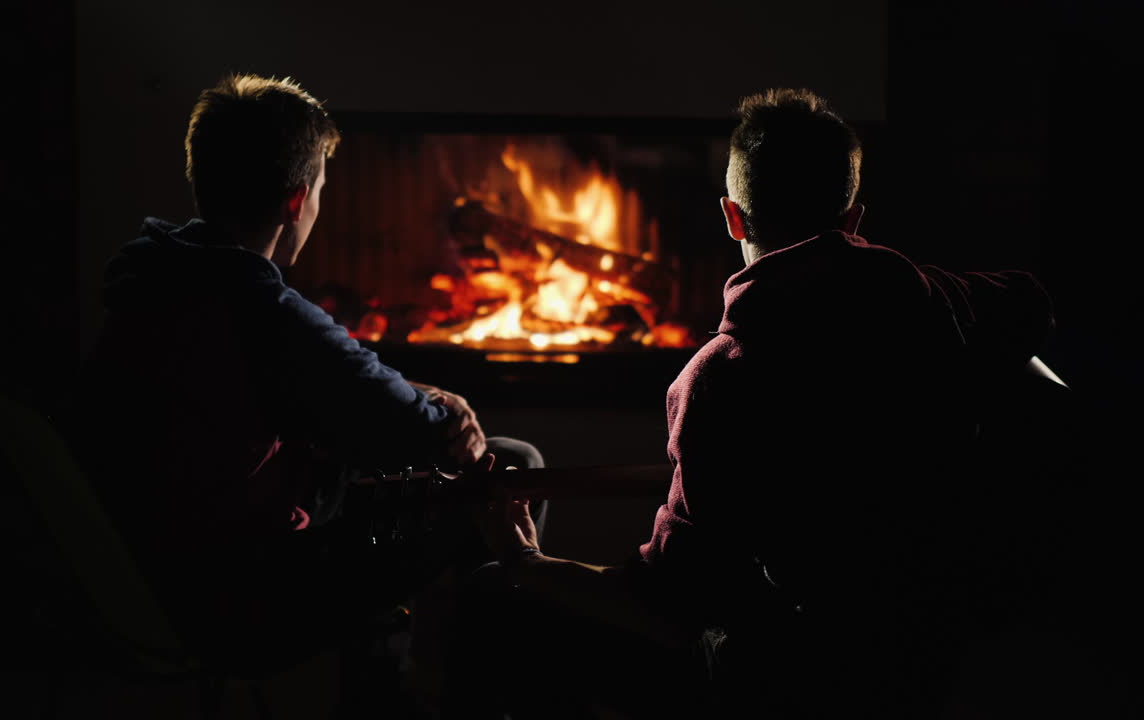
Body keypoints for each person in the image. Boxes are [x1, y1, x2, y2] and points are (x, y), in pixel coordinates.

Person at [461, 89, 1057, 718]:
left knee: (492, 597)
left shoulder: (720, 379)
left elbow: (667, 610)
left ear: (732, 217)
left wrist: (524, 558)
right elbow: (1029, 302)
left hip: (795, 678)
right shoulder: (942, 301)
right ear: (853, 219)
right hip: (935, 654)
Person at [66, 74, 541, 668]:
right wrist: (446, 408)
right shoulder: (257, 306)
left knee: (355, 465)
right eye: (318, 190)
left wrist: (415, 398)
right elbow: (411, 429)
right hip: (235, 591)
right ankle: (474, 701)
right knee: (514, 465)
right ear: (296, 200)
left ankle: (383, 691)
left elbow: (340, 385)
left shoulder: (163, 277)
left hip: (138, 570)